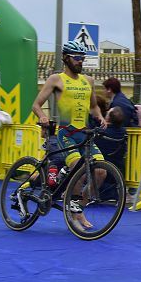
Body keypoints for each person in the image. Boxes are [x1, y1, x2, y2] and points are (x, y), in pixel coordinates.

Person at [31, 40, 107, 225]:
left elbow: (94, 107)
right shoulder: (56, 79)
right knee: (77, 167)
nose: (80, 61)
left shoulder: (88, 81)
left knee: (101, 172)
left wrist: (100, 117)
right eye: (77, 58)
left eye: (83, 58)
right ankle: (73, 207)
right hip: (66, 133)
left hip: (84, 133)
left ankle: (78, 205)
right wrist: (42, 116)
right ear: (66, 58)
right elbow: (36, 105)